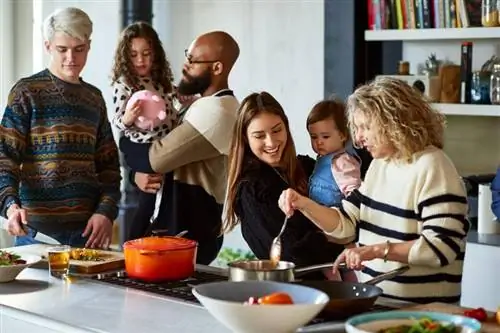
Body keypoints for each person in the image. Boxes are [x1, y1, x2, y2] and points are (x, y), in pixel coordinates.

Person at [279, 77, 469, 303]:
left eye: (365, 128)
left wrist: (376, 251)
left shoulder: (433, 166)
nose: (358, 139)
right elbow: (345, 224)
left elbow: (441, 247)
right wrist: (303, 203)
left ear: (393, 121)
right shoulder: (381, 165)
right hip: (381, 304)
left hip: (424, 311)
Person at [0, 7, 121, 248]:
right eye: (61, 49)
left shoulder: (94, 99)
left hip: (87, 235)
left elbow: (109, 168)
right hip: (35, 234)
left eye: (79, 49)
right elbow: (5, 158)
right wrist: (10, 205)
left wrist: (106, 212)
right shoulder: (26, 93)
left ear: (89, 46)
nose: (71, 59)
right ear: (47, 46)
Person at [119, 31, 240, 264]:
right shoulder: (199, 105)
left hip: (185, 236)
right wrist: (137, 174)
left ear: (216, 68)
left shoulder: (217, 112)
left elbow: (154, 158)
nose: (185, 65)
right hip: (172, 231)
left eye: (193, 61)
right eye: (187, 56)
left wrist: (125, 137)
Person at [222, 91, 348, 278]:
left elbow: (356, 217)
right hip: (292, 293)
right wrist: (336, 236)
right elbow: (291, 256)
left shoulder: (308, 167)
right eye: (259, 136)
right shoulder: (252, 189)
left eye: (276, 130)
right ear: (245, 140)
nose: (271, 142)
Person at [110, 22, 178, 240]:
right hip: (143, 146)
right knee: (147, 199)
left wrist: (185, 97)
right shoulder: (125, 85)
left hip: (165, 143)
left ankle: (158, 241)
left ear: (155, 54)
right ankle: (133, 244)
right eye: (134, 55)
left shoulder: (161, 82)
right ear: (125, 57)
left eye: (146, 54)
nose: (141, 60)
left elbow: (175, 100)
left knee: (164, 198)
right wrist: (127, 118)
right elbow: (118, 120)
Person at [306, 99, 362, 281]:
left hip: (338, 231)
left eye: (325, 136)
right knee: (337, 269)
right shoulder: (323, 160)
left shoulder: (342, 161)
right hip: (323, 231)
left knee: (334, 270)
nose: (319, 142)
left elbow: (355, 194)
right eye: (314, 137)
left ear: (343, 135)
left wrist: (350, 239)